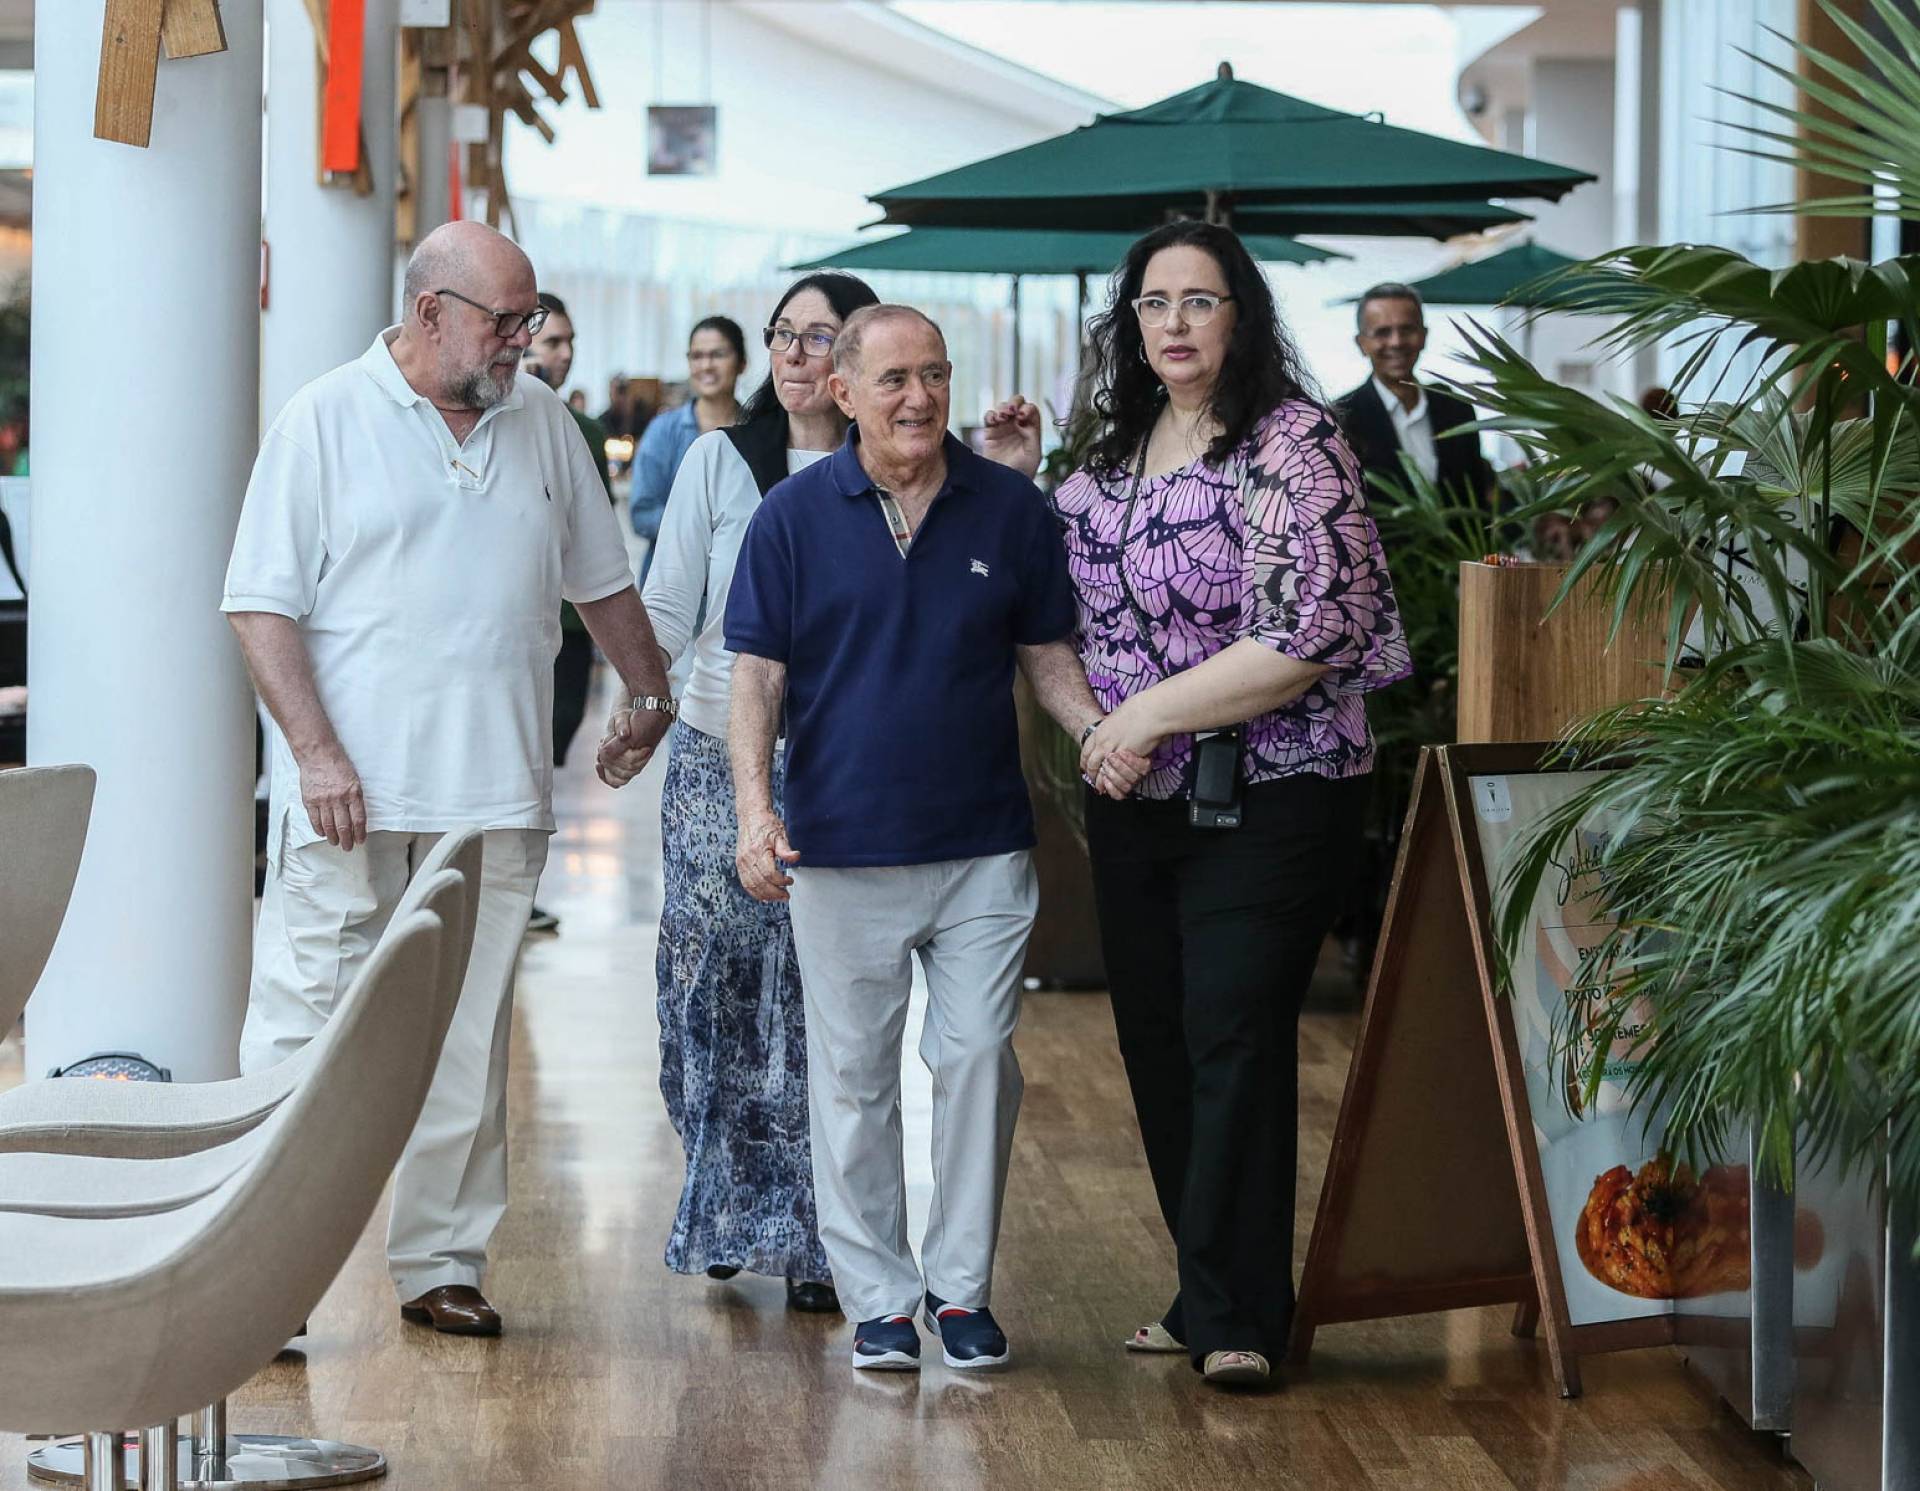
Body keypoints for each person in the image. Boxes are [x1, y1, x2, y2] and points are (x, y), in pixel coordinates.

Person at [222, 221, 675, 1338]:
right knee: (303, 1034)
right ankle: (259, 1278)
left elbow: (600, 580)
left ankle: (440, 1259)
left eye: (530, 318)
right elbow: (260, 605)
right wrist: (316, 754)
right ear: (431, 312)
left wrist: (650, 692)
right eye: (505, 321)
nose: (523, 339)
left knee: (469, 1041)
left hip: (496, 792)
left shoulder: (545, 423)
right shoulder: (324, 418)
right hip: (350, 796)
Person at [984, 221, 1409, 1388]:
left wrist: (1143, 718)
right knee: (1159, 1041)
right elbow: (1048, 601)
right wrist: (1017, 482)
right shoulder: (1113, 453)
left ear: (1242, 317)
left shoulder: (1293, 444)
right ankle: (1206, 1285)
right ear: (1130, 326)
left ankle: (1242, 1316)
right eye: (1153, 303)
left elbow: (1310, 632)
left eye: (1199, 300)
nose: (1174, 322)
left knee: (1233, 1031)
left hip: (1278, 789)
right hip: (1140, 796)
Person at [716, 304, 1141, 1374]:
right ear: (843, 392)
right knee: (854, 1081)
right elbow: (756, 677)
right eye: (896, 379)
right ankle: (879, 1300)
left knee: (979, 1060)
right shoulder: (791, 516)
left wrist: (1097, 733)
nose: (920, 398)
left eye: (936, 375)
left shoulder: (1008, 507)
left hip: (981, 846)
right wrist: (755, 812)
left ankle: (960, 1291)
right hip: (838, 847)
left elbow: (1047, 653)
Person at [635, 274, 878, 1317]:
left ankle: (819, 1236)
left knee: (823, 999)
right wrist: (638, 709)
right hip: (711, 753)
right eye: (783, 334)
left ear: (858, 358)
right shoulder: (718, 460)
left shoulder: (886, 469)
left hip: (838, 760)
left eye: (818, 337)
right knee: (708, 987)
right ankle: (728, 1206)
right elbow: (667, 605)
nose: (792, 354)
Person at [525, 290, 614, 934]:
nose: (564, 354)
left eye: (569, 343)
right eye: (552, 342)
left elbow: (597, 536)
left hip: (573, 626)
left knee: (549, 755)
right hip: (521, 624)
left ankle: (522, 883)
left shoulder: (585, 432)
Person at [1336, 282, 1494, 506]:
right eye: (1382, 332)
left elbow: (1477, 501)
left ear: (1424, 335)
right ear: (1362, 344)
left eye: (1407, 329)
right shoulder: (1341, 419)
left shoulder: (1457, 409)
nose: (1396, 342)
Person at [630, 316, 747, 586]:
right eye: (697, 356)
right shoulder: (663, 431)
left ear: (742, 362)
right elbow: (642, 514)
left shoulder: (760, 431)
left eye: (718, 354)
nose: (706, 365)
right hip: (672, 583)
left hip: (739, 585)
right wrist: (707, 527)